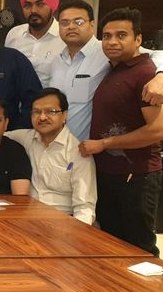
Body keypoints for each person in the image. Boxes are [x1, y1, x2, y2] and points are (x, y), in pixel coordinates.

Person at [79, 8, 163, 256]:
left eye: (121, 35)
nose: (112, 42)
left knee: (138, 248)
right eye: (106, 36)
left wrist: (104, 144)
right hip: (109, 174)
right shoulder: (114, 70)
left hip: (136, 176)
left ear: (138, 39)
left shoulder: (147, 73)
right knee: (111, 245)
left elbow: (159, 130)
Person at [49, 0, 163, 140]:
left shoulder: (107, 50)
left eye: (78, 21)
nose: (71, 27)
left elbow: (161, 55)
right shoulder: (56, 61)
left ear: (92, 24)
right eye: (65, 22)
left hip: (90, 147)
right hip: (58, 146)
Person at [5, 88, 96, 224]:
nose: (42, 117)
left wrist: (75, 233)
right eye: (36, 112)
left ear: (64, 115)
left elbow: (84, 208)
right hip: (27, 219)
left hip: (63, 221)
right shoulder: (25, 138)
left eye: (50, 111)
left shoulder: (78, 152)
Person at [4, 0, 63, 86]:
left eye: (40, 4)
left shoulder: (65, 36)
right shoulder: (14, 34)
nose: (33, 10)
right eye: (27, 5)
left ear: (53, 6)